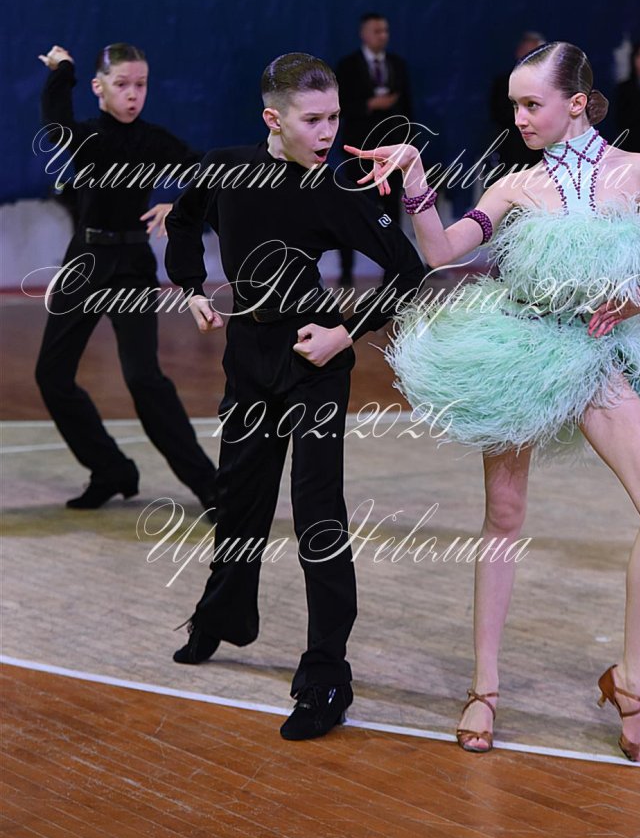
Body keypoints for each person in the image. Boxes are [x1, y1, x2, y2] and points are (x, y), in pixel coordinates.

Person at [344, 41, 640, 762]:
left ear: (576, 103)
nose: (518, 116)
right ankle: (484, 687)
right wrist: (416, 179)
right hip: (520, 350)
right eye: (514, 104)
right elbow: (441, 251)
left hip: (600, 352)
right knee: (506, 514)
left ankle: (633, 681)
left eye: (531, 104)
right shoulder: (517, 184)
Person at [164, 52, 425, 741]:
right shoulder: (225, 167)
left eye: (335, 117)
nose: (328, 132)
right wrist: (190, 287)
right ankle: (224, 614)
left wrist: (345, 333)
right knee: (239, 496)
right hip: (247, 356)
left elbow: (409, 270)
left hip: (314, 363)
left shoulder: (334, 190)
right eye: (313, 119)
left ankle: (326, 678)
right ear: (273, 119)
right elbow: (183, 221)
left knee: (317, 518)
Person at [35, 43, 217, 514]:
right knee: (51, 375)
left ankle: (211, 487)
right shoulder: (87, 137)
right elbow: (55, 123)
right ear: (99, 88)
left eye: (141, 84)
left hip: (133, 268)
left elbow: (208, 174)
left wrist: (180, 206)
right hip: (84, 261)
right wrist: (64, 70)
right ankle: (110, 469)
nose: (133, 94)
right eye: (122, 84)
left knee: (143, 378)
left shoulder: (155, 141)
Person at [336, 13, 413, 284]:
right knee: (352, 209)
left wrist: (406, 147)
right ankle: (346, 271)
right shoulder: (347, 66)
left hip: (390, 151)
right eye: (377, 31)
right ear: (364, 33)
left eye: (385, 30)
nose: (383, 36)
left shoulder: (397, 65)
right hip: (358, 152)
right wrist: (369, 105)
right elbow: (340, 106)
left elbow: (407, 109)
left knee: (391, 211)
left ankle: (393, 269)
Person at [488, 31, 545, 178]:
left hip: (544, 151)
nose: (531, 58)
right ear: (519, 53)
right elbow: (499, 114)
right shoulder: (504, 83)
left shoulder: (550, 84)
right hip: (513, 150)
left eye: (536, 54)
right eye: (527, 52)